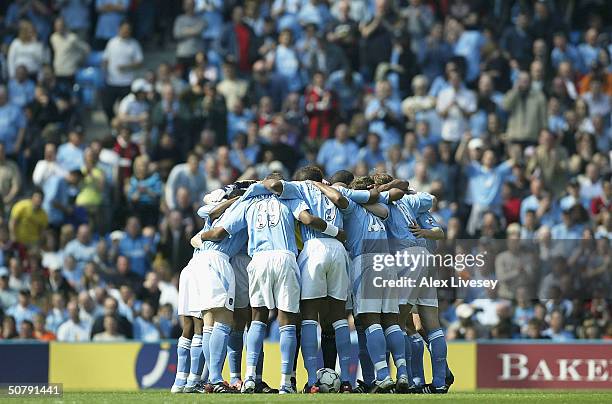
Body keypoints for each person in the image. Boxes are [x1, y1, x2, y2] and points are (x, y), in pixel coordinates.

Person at [199, 175, 344, 393]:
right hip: (285, 258)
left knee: (258, 317)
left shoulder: (248, 201)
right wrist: (336, 232)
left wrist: (201, 237)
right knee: (288, 320)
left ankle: (248, 378)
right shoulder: (289, 198)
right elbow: (306, 219)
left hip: (259, 260)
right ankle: (286, 383)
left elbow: (219, 232)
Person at [101, 21, 143, 122]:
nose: (125, 32)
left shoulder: (134, 44)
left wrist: (127, 66)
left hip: (126, 83)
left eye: (128, 30)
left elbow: (140, 62)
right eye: (124, 29)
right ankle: (113, 124)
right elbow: (106, 59)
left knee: (125, 109)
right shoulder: (112, 42)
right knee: (107, 106)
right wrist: (104, 72)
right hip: (112, 82)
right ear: (119, 29)